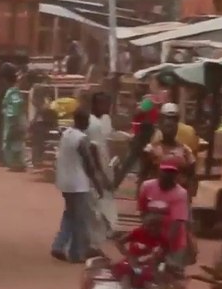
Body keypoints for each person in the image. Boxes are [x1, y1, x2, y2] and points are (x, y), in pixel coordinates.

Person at [51, 107, 108, 263]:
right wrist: (97, 184)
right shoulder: (81, 139)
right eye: (87, 121)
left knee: (70, 215)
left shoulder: (67, 134)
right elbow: (89, 164)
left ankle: (58, 245)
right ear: (82, 120)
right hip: (78, 184)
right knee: (81, 219)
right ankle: (76, 253)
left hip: (64, 182)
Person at [112, 213, 172, 289]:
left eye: (156, 227)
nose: (152, 229)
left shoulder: (163, 238)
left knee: (147, 278)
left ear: (160, 227)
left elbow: (167, 252)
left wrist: (160, 261)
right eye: (149, 226)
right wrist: (128, 255)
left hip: (148, 264)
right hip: (131, 261)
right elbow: (119, 242)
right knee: (126, 273)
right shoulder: (137, 232)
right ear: (144, 226)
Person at [113, 77, 171, 190]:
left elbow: (138, 112)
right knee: (146, 164)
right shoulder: (165, 98)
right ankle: (141, 189)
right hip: (153, 132)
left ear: (157, 85)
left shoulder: (150, 99)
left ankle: (116, 184)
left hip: (145, 131)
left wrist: (138, 106)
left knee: (130, 161)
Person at [136, 160, 190, 264]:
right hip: (150, 238)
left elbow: (177, 223)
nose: (167, 175)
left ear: (176, 175)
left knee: (170, 272)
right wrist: (147, 235)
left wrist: (163, 244)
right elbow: (142, 211)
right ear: (159, 172)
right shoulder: (147, 186)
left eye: (171, 172)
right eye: (165, 171)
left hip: (173, 241)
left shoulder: (180, 193)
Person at [85, 92, 118, 237]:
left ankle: (106, 226)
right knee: (98, 198)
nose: (108, 107)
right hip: (95, 168)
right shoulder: (93, 124)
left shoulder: (104, 120)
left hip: (103, 165)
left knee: (103, 199)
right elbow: (93, 151)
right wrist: (101, 174)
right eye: (105, 104)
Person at [146, 102, 200, 190]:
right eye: (166, 124)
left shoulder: (186, 152)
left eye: (173, 123)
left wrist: (187, 196)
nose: (170, 127)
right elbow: (143, 175)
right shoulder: (151, 149)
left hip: (178, 198)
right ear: (161, 124)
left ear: (177, 126)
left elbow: (192, 177)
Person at [1, 68, 29, 171]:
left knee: (13, 141)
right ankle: (17, 163)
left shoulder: (12, 91)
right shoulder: (14, 91)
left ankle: (16, 164)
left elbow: (15, 107)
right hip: (15, 119)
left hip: (13, 120)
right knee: (16, 141)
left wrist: (13, 121)